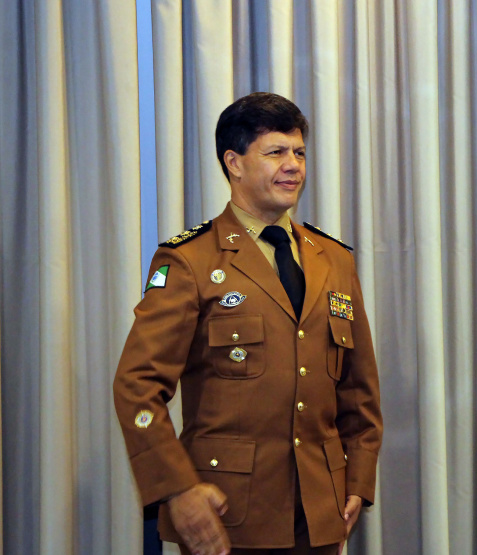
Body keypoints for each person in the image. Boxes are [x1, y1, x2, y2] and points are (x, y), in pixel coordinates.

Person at [113, 92, 382, 555]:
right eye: (275, 152)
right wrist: (177, 489)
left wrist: (357, 478)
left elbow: (358, 390)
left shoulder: (332, 259)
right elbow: (137, 387)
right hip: (227, 516)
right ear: (233, 163)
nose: (293, 165)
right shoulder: (190, 259)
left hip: (321, 511)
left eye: (299, 152)